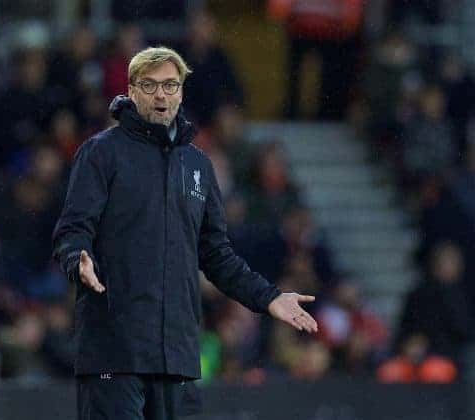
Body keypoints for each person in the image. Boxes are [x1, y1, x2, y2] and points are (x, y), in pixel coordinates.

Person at [52, 46, 318, 420]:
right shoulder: (100, 153)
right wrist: (75, 260)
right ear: (131, 90)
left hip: (177, 356)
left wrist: (269, 298)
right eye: (150, 85)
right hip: (115, 352)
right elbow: (72, 230)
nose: (161, 94)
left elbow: (216, 255)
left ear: (181, 92)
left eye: (170, 85)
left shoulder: (197, 165)